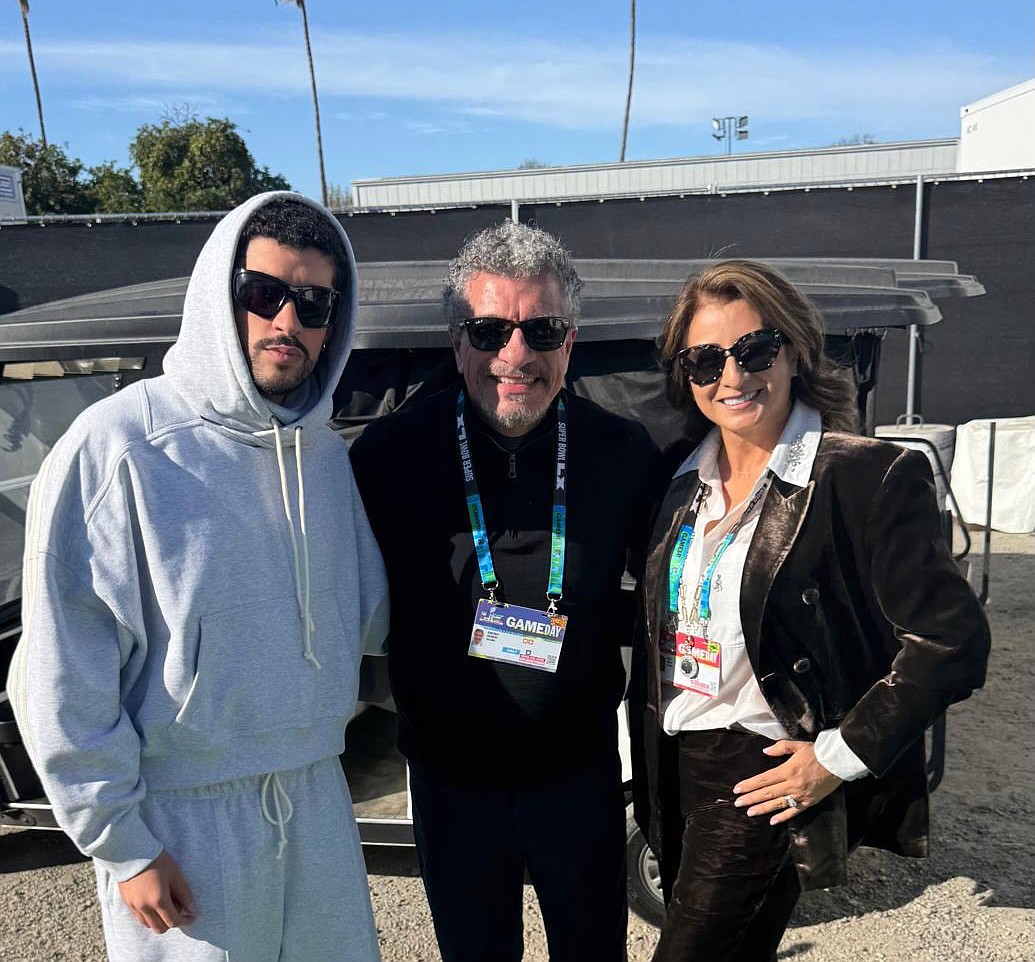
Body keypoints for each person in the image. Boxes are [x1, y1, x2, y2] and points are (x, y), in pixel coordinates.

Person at [8, 193, 389, 962]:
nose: (288, 322)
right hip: (182, 814)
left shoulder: (321, 456)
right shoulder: (120, 446)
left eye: (314, 304)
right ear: (220, 294)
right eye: (265, 293)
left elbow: (369, 615)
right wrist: (122, 843)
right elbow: (58, 668)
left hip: (314, 793)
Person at [629, 260, 991, 962]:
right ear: (685, 374)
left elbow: (950, 642)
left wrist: (836, 756)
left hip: (761, 765)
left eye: (754, 350)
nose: (731, 377)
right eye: (705, 359)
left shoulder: (862, 474)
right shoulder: (676, 482)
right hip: (673, 760)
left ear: (793, 350)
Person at [350, 221, 660, 962]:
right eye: (488, 331)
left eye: (540, 329)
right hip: (452, 783)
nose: (513, 357)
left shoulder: (619, 451)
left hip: (578, 779)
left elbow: (680, 592)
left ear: (570, 340)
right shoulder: (389, 456)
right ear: (457, 341)